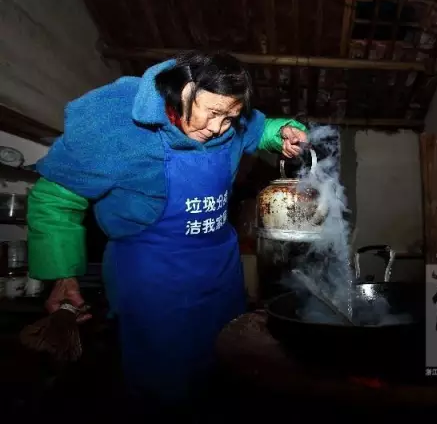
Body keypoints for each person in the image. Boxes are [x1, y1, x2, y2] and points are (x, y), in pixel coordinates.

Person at [27, 51, 308, 415]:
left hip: (218, 267)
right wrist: (63, 275)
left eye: (229, 117)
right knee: (163, 379)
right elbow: (55, 198)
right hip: (152, 274)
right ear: (182, 90)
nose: (218, 128)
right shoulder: (116, 124)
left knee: (227, 359)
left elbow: (259, 128)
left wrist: (281, 133)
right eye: (212, 113)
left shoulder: (229, 119)